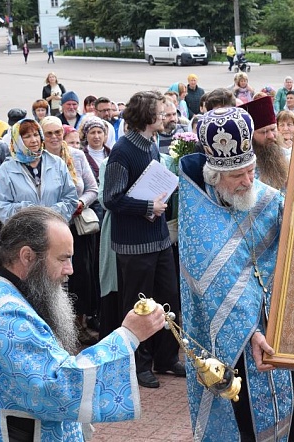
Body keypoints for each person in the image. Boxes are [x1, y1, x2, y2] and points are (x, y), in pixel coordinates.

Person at [0, 206, 167, 440]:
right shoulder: (7, 317)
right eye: (63, 258)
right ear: (27, 256)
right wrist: (128, 336)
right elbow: (58, 386)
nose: (70, 270)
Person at [178, 106, 294, 441]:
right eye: (238, 176)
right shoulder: (198, 215)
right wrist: (252, 332)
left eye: (251, 171)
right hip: (235, 339)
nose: (248, 181)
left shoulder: (264, 197)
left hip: (272, 324)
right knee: (245, 422)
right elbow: (212, 285)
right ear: (214, 176)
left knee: (285, 414)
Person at [102, 90, 182, 389]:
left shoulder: (150, 145)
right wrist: (148, 207)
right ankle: (138, 364)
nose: (165, 116)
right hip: (134, 245)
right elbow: (111, 198)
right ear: (146, 116)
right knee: (140, 307)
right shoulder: (123, 150)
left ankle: (165, 358)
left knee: (168, 300)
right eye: (160, 112)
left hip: (159, 239)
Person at [42, 116, 100, 345]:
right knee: (52, 276)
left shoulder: (76, 156)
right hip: (49, 226)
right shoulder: (39, 160)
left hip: (76, 227)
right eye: (49, 134)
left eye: (58, 132)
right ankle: (54, 326)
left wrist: (81, 203)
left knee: (80, 277)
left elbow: (93, 188)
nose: (55, 137)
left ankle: (78, 324)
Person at [0, 118, 79, 224]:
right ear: (17, 140)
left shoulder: (57, 163)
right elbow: (1, 205)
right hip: (23, 233)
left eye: (36, 134)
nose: (34, 140)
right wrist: (30, 213)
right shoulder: (6, 170)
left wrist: (50, 214)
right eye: (27, 136)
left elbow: (70, 198)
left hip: (55, 229)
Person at [240, 96, 288, 191]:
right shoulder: (244, 165)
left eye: (273, 129)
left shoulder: (288, 156)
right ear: (250, 135)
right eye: (263, 132)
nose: (270, 136)